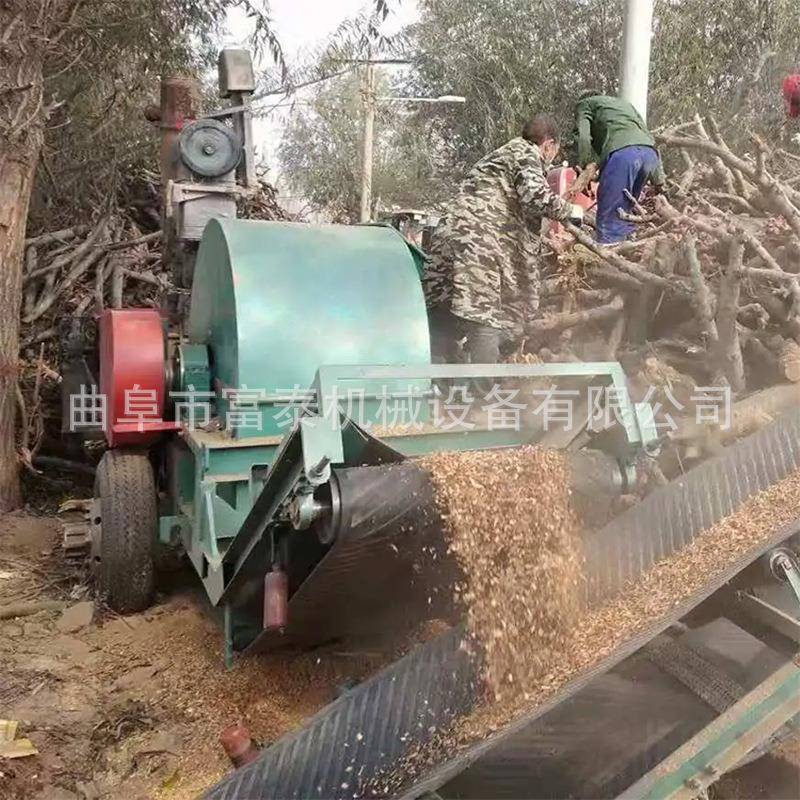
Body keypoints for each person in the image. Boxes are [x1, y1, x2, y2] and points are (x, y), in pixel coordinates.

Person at [423, 114, 581, 375]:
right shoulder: (526, 152)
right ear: (549, 144)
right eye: (555, 150)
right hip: (479, 243)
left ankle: (436, 378)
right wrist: (570, 211)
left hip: (450, 237)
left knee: (444, 308)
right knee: (487, 317)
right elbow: (535, 195)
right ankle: (483, 397)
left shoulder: (500, 155)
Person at [574, 92, 665, 244]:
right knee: (625, 212)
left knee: (609, 219)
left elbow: (584, 137)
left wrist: (584, 168)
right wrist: (659, 179)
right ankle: (628, 252)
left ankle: (608, 264)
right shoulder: (625, 105)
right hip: (649, 155)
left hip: (623, 156)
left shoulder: (585, 104)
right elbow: (648, 136)